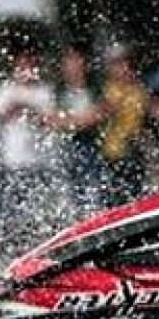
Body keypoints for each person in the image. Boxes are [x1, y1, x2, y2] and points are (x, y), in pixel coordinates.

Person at [0, 51, 58, 225]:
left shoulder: (43, 92)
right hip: (12, 159)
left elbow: (52, 120)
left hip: (37, 160)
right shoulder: (6, 91)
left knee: (37, 208)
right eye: (21, 67)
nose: (25, 71)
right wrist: (12, 108)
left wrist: (31, 111)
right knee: (10, 209)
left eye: (29, 67)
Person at [50, 48, 104, 213]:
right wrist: (80, 119)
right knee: (70, 197)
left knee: (94, 195)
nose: (72, 67)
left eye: (75, 62)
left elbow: (97, 115)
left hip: (93, 149)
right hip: (67, 151)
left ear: (84, 65)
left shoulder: (95, 89)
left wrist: (69, 121)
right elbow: (52, 120)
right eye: (68, 63)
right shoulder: (58, 93)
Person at [96, 45, 149, 206]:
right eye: (116, 65)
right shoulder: (111, 89)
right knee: (114, 198)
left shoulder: (138, 89)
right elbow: (103, 112)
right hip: (113, 152)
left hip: (132, 150)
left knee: (133, 196)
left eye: (124, 64)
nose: (122, 69)